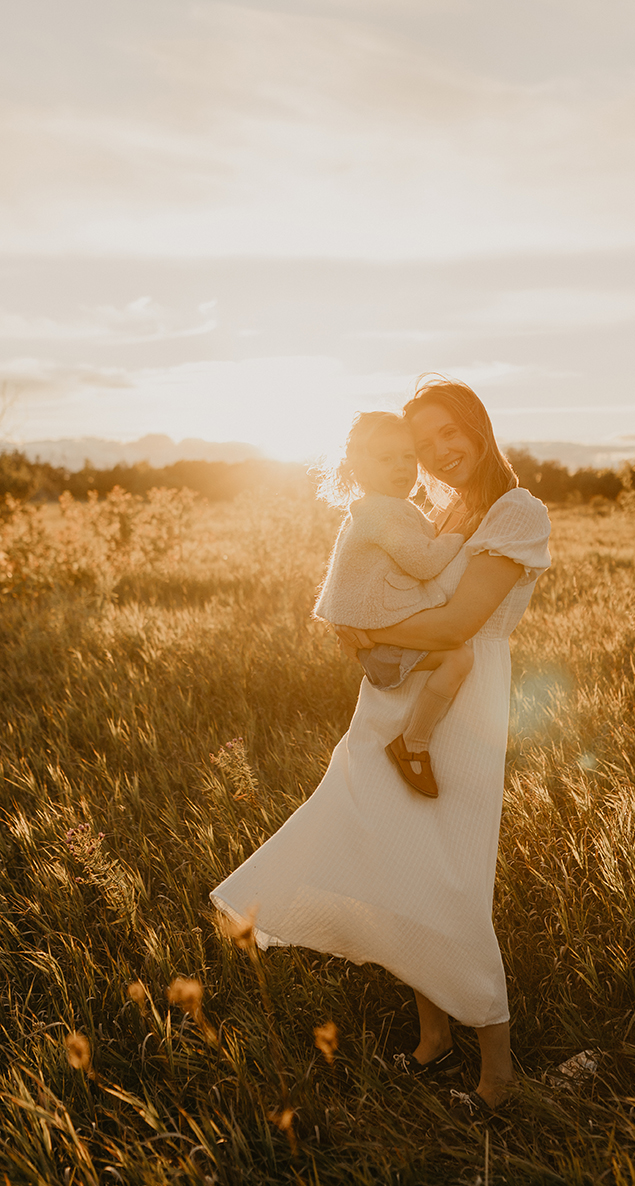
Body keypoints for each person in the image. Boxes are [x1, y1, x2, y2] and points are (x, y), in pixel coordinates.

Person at [211, 375, 550, 1118]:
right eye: (424, 446)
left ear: (478, 427)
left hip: (461, 704)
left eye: (448, 435)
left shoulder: (514, 512)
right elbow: (382, 585)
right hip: (389, 705)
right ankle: (433, 1040)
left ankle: (499, 1073)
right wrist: (361, 630)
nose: (438, 454)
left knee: (453, 879)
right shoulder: (433, 508)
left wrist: (361, 633)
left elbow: (457, 624)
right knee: (393, 865)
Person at [313, 409, 474, 798]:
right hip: (382, 646)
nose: (402, 468)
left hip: (381, 637)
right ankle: (413, 743)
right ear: (358, 467)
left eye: (407, 457)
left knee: (457, 656)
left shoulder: (382, 508)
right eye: (386, 459)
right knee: (460, 658)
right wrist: (460, 534)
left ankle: (413, 741)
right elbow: (423, 561)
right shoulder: (379, 512)